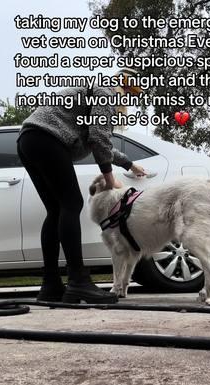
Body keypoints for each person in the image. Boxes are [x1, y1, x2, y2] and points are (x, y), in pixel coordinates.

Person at [17, 68, 146, 304]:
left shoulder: (96, 93)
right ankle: (78, 282)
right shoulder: (107, 93)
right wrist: (109, 179)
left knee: (56, 210)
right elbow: (98, 138)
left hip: (29, 140)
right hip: (47, 139)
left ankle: (51, 285)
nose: (130, 102)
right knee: (71, 204)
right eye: (132, 95)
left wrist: (129, 164)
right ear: (125, 88)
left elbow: (98, 141)